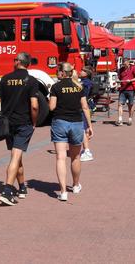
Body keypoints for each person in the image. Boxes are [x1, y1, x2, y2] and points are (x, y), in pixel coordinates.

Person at [0, 53, 39, 206]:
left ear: (17, 62)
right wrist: (34, 122)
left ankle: (21, 188)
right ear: (28, 64)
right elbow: (34, 105)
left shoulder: (5, 79)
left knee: (16, 155)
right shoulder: (32, 81)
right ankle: (7, 191)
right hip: (23, 122)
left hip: (8, 123)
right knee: (15, 156)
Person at [49, 63, 94, 202]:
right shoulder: (78, 86)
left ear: (63, 72)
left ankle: (63, 192)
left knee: (60, 158)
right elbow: (85, 107)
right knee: (75, 157)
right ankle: (75, 185)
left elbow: (52, 107)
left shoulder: (56, 87)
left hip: (60, 122)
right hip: (76, 123)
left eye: (58, 71)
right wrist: (89, 126)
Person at [79, 67, 95, 162]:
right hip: (85, 107)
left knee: (84, 129)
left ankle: (87, 151)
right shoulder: (83, 82)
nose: (80, 71)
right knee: (84, 128)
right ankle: (85, 149)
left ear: (87, 73)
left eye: (83, 70)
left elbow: (83, 96)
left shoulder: (86, 83)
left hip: (84, 107)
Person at [117, 59, 135, 126]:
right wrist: (118, 81)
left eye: (126, 64)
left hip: (131, 89)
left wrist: (130, 80)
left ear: (128, 63)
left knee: (130, 105)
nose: (125, 66)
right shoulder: (121, 69)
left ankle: (130, 119)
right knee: (120, 104)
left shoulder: (133, 68)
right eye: (124, 64)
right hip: (122, 89)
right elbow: (119, 78)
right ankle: (120, 119)